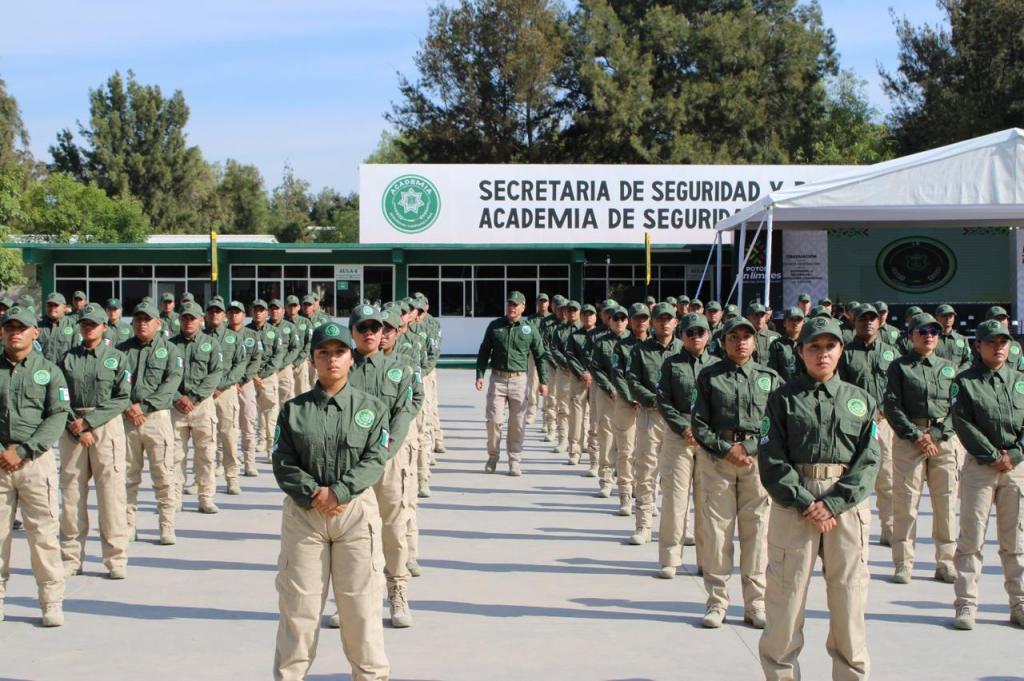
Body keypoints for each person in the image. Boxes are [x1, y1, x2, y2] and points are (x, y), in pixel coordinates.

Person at [758, 315, 879, 681]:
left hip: (845, 504)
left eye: (830, 346)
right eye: (814, 346)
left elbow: (869, 461)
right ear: (800, 351)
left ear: (841, 350)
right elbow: (771, 456)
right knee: (786, 597)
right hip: (795, 503)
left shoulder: (860, 400)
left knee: (848, 599)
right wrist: (807, 502)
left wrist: (833, 503)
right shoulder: (783, 399)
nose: (822, 354)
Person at [271, 321, 390, 681]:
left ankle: (370, 676)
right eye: (323, 353)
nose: (331, 360)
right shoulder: (294, 411)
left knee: (361, 607)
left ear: (350, 358)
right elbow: (283, 460)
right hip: (305, 516)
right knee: (298, 607)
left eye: (339, 352)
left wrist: (339, 491)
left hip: (353, 513)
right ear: (312, 361)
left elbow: (376, 458)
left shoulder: (372, 408)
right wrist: (314, 493)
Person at [692, 316, 782, 629]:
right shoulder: (709, 376)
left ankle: (755, 603)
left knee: (756, 532)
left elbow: (778, 422)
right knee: (717, 531)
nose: (740, 342)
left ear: (755, 342)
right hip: (718, 461)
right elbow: (699, 423)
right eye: (734, 337)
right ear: (724, 341)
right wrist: (725, 448)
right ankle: (716, 602)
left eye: (747, 336)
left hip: (755, 463)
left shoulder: (769, 378)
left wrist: (751, 446)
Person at [950, 319, 1024, 630]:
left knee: (1016, 541)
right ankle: (966, 605)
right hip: (981, 468)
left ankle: (1019, 603)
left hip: (1016, 468)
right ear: (977, 345)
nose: (999, 347)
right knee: (971, 539)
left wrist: (1016, 454)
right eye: (991, 342)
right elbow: (963, 423)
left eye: (1003, 341)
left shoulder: (1020, 379)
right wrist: (993, 456)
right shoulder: (964, 382)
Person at [0, 305, 71, 626]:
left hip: (35, 463)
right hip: (1, 462)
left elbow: (57, 415)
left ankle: (51, 600)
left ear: (34, 332)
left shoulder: (49, 370)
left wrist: (26, 449)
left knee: (42, 534)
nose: (15, 332)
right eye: (9, 327)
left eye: (22, 327)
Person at [883, 312, 958, 584]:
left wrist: (937, 434)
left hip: (943, 441)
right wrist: (916, 435)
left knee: (946, 503)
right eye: (923, 331)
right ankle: (903, 562)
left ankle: (946, 561)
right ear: (911, 335)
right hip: (909, 440)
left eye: (934, 332)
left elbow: (958, 406)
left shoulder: (949, 367)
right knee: (906, 503)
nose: (929, 336)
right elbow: (892, 404)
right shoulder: (899, 367)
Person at [58, 303, 131, 579]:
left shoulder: (116, 358)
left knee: (111, 495)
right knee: (72, 495)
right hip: (72, 427)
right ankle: (71, 557)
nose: (88, 327)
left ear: (104, 327)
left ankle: (115, 558)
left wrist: (89, 423)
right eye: (84, 323)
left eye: (94, 324)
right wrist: (76, 425)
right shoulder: (67, 359)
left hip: (105, 427)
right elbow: (59, 395)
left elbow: (122, 396)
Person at [656, 312, 718, 578]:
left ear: (709, 336)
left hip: (708, 437)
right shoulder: (671, 364)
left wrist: (704, 431)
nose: (695, 337)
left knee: (707, 501)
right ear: (682, 336)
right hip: (678, 434)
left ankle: (706, 560)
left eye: (700, 332)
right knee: (675, 497)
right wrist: (683, 427)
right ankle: (671, 557)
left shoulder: (718, 365)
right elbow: (663, 400)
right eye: (690, 333)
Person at [118, 300, 183, 545]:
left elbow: (171, 384)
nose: (142, 324)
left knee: (164, 475)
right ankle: (127, 525)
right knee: (127, 477)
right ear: (132, 323)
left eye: (148, 320)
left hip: (157, 418)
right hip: (127, 420)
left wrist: (143, 407)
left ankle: (166, 526)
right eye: (138, 320)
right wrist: (128, 407)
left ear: (158, 323)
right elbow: (114, 385)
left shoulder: (170, 351)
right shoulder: (122, 350)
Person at [839, 303, 898, 547]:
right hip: (853, 424)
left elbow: (897, 387)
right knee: (851, 474)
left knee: (887, 478)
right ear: (854, 321)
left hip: (884, 423)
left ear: (880, 321)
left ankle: (890, 528)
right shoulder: (844, 352)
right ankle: (850, 529)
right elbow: (839, 387)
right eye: (863, 318)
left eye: (872, 318)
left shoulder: (890, 352)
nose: (868, 323)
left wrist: (885, 411)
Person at [475, 291, 549, 475]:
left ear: (523, 307)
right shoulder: (495, 326)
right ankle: (493, 456)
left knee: (517, 423)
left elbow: (540, 356)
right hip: (498, 380)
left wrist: (543, 381)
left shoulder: (529, 328)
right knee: (494, 421)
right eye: (510, 304)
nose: (512, 308)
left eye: (516, 305)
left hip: (519, 381)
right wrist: (479, 374)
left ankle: (514, 460)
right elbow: (484, 350)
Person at [626, 302, 681, 544]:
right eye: (660, 318)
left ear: (676, 321)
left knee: (677, 477)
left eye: (669, 318)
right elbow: (633, 381)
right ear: (652, 322)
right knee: (646, 471)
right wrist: (654, 400)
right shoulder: (640, 351)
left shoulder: (684, 349)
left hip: (679, 419)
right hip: (652, 415)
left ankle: (680, 528)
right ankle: (644, 525)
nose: (664, 322)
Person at [168, 301, 223, 514]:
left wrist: (195, 397)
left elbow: (215, 373)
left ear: (201, 320)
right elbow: (164, 375)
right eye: (185, 318)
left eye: (193, 318)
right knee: (174, 456)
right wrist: (177, 397)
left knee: (206, 455)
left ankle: (206, 497)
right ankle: (173, 499)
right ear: (179, 320)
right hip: (176, 407)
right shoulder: (169, 345)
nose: (189, 322)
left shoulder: (211, 344)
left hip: (202, 406)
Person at [609, 303, 650, 516]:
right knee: (626, 450)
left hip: (651, 405)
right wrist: (632, 397)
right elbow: (618, 375)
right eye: (637, 318)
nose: (641, 321)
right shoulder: (622, 346)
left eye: (644, 318)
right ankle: (625, 495)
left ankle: (645, 496)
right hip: (627, 403)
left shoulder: (654, 346)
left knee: (649, 454)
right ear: (630, 321)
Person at [205, 297, 247, 495]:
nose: (215, 315)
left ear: (224, 316)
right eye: (211, 311)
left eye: (218, 312)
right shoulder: (201, 337)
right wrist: (207, 387)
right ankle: (203, 480)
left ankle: (232, 478)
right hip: (204, 393)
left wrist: (221, 385)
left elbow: (240, 366)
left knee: (229, 436)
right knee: (205, 439)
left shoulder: (234, 337)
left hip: (226, 392)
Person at [589, 305, 630, 498]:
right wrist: (610, 388)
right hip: (607, 394)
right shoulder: (601, 341)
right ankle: (606, 480)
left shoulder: (634, 342)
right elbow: (596, 368)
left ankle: (630, 481)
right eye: (616, 318)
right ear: (609, 320)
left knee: (629, 442)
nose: (619, 322)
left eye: (623, 318)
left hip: (629, 397)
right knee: (606, 436)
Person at [229, 301, 263, 477]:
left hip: (245, 384)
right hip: (226, 387)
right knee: (226, 427)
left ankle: (249, 462)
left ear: (244, 315)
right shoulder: (221, 335)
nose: (234, 315)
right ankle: (227, 462)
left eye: (238, 312)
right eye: (232, 312)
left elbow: (256, 359)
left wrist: (241, 380)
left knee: (248, 423)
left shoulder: (252, 335)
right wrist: (228, 382)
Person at [250, 299, 285, 460]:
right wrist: (252, 375)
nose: (258, 313)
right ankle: (252, 450)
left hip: (268, 378)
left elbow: (278, 355)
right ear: (251, 312)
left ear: (266, 313)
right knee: (250, 415)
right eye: (255, 310)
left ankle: (272, 450)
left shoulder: (274, 332)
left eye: (261, 310)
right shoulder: (245, 331)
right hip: (249, 378)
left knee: (271, 415)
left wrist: (262, 375)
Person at [565, 304, 598, 470]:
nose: (588, 317)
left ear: (596, 316)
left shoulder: (602, 335)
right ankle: (574, 451)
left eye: (591, 314)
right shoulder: (574, 336)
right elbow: (570, 356)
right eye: (584, 314)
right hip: (579, 380)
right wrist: (582, 373)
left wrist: (593, 374)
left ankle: (595, 454)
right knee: (576, 417)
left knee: (596, 419)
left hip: (597, 381)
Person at [552, 301, 582, 459]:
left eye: (574, 310)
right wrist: (566, 363)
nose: (570, 313)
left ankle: (581, 443)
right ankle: (564, 440)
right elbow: (554, 349)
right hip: (565, 372)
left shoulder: (585, 330)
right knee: (563, 409)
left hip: (581, 375)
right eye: (568, 310)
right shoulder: (560, 330)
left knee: (583, 412)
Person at [525, 293, 551, 425]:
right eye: (540, 301)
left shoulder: (552, 319)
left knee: (547, 387)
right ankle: (531, 413)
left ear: (549, 303)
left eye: (545, 301)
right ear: (537, 303)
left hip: (548, 357)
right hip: (534, 356)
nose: (543, 304)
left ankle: (547, 418)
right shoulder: (530, 319)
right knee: (533, 385)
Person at [270, 299, 300, 406]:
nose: (274, 312)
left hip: (284, 368)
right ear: (268, 311)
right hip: (268, 369)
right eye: (272, 309)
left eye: (277, 309)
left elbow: (295, 348)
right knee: (269, 403)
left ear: (283, 311)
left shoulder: (290, 327)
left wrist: (282, 364)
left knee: (286, 400)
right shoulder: (264, 327)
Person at [37, 292, 79, 364]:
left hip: (65, 371)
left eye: (56, 305)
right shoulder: (37, 325)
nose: (52, 308)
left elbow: (77, 351)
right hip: (43, 371)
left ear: (64, 308)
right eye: (49, 305)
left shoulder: (73, 325)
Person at [767, 307, 805, 382]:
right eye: (792, 319)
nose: (795, 323)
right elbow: (773, 371)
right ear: (784, 323)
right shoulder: (777, 344)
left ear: (803, 323)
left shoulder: (808, 343)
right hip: (784, 389)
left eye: (798, 320)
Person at [285, 295, 312, 396]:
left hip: (300, 363)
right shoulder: (281, 323)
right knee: (286, 393)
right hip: (285, 363)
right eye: (290, 306)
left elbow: (309, 343)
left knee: (302, 391)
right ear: (285, 307)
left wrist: (298, 360)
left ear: (299, 307)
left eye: (294, 306)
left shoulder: (306, 322)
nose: (292, 308)